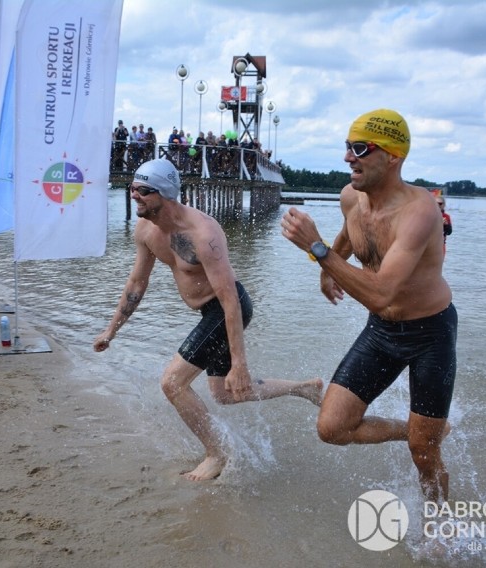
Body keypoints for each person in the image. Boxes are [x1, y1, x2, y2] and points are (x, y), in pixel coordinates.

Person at [94, 159, 322, 481]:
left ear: (166, 194)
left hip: (227, 308)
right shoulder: (145, 230)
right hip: (209, 312)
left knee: (172, 383)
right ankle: (304, 388)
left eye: (143, 190)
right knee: (225, 394)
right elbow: (136, 284)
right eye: (132, 188)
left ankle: (217, 454)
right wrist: (111, 330)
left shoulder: (204, 234)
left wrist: (240, 363)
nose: (134, 196)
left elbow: (230, 300)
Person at [280, 108, 457, 503]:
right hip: (382, 331)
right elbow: (349, 237)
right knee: (333, 428)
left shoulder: (419, 212)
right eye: (347, 146)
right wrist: (326, 269)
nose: (348, 158)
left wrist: (317, 249)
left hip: (430, 334)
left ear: (393, 156)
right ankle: (419, 431)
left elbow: (381, 292)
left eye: (360, 148)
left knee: (423, 454)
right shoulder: (351, 198)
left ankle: (440, 524)